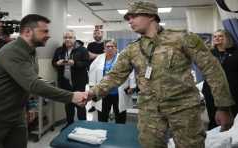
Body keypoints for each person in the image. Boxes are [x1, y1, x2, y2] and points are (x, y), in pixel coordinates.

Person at [86, 1, 235, 148]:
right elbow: (114, 76)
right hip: (150, 112)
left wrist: (223, 106)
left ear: (151, 16)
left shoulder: (183, 38)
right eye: (128, 18)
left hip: (184, 109)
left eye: (133, 16)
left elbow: (212, 70)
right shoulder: (132, 49)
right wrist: (91, 93)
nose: (129, 21)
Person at [0, 14, 87, 148]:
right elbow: (33, 84)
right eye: (44, 31)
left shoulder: (32, 52)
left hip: (16, 116)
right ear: (27, 32)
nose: (48, 35)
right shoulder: (13, 51)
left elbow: (28, 81)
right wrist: (72, 96)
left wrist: (29, 106)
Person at [89, 40, 136, 124]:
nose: (110, 48)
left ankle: (120, 132)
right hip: (103, 92)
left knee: (120, 115)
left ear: (116, 48)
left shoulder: (121, 57)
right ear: (104, 49)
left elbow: (130, 71)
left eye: (112, 46)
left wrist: (132, 86)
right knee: (102, 115)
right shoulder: (99, 58)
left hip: (118, 92)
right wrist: (92, 86)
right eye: (107, 46)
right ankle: (103, 131)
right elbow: (92, 72)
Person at [52, 30, 89, 127]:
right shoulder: (59, 50)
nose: (67, 39)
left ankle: (82, 124)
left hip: (79, 81)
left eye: (70, 37)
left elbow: (86, 63)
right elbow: (53, 62)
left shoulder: (82, 50)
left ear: (74, 39)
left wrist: (75, 63)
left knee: (80, 103)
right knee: (68, 104)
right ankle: (70, 124)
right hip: (65, 81)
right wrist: (57, 63)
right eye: (65, 37)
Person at [211, 29, 238, 118]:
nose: (217, 38)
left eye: (220, 36)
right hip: (215, 89)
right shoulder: (209, 53)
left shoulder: (235, 51)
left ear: (227, 38)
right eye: (215, 36)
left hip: (234, 87)